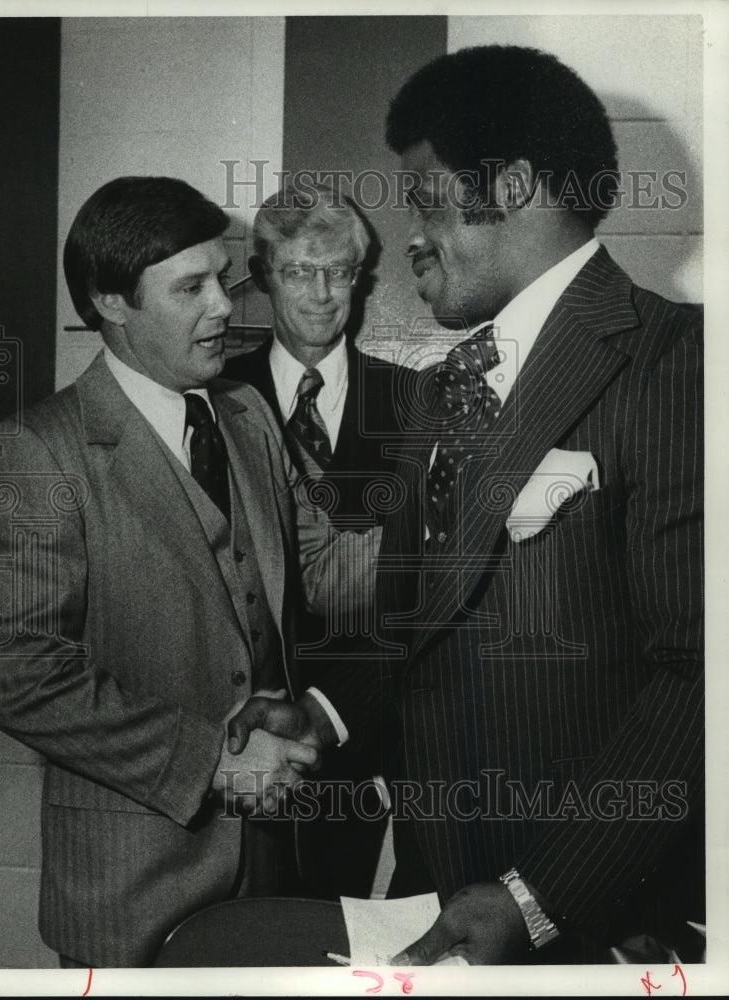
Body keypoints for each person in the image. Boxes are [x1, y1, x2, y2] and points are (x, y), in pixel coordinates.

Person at [228, 45, 705, 964]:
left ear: (515, 184)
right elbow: (419, 625)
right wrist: (322, 714)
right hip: (437, 890)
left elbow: (700, 674)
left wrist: (538, 896)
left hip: (592, 913)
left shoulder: (677, 362)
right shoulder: (445, 387)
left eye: (427, 200)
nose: (412, 239)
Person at [0, 176, 379, 968]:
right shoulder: (39, 449)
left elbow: (323, 564)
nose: (226, 307)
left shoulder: (246, 414)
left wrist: (470, 514)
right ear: (111, 302)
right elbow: (18, 673)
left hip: (270, 867)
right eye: (190, 287)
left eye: (221, 280)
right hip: (130, 895)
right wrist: (214, 760)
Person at [224, 184, 414, 899]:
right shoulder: (212, 395)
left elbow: (423, 593)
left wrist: (334, 712)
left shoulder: (414, 405)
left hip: (366, 736)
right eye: (299, 271)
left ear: (362, 281)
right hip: (240, 739)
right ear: (264, 275)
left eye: (339, 271)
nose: (322, 293)